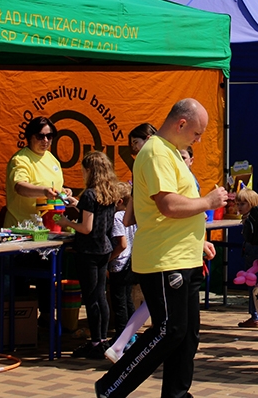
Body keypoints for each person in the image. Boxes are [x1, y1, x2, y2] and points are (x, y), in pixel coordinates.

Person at [95, 98, 229, 398]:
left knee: (186, 334)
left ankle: (176, 395)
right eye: (197, 132)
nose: (199, 139)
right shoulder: (156, 153)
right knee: (168, 331)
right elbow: (168, 205)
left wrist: (199, 239)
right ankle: (110, 387)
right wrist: (208, 202)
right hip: (164, 260)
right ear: (181, 123)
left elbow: (172, 208)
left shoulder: (168, 152)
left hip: (182, 256)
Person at [60, 151, 123, 358]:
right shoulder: (109, 192)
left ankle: (95, 342)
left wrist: (66, 223)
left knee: (91, 297)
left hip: (88, 250)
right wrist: (77, 205)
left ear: (89, 170)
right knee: (100, 296)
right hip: (104, 247)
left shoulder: (89, 194)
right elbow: (96, 216)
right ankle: (102, 339)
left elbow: (86, 227)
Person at [5, 116, 72, 227]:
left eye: (49, 136)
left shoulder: (52, 158)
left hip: (49, 226)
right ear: (30, 137)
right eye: (40, 136)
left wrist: (63, 191)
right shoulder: (20, 159)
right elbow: (20, 187)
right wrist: (44, 191)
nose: (45, 140)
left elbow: (51, 184)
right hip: (22, 227)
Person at [235, 185, 258, 332]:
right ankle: (254, 316)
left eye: (242, 204)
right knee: (252, 287)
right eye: (237, 204)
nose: (239, 207)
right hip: (250, 255)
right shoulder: (246, 218)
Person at [108, 182, 136, 337]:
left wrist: (108, 259)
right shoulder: (132, 215)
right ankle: (132, 333)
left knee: (119, 303)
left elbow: (122, 244)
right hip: (131, 261)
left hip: (119, 264)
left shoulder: (118, 217)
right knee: (128, 300)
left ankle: (122, 336)